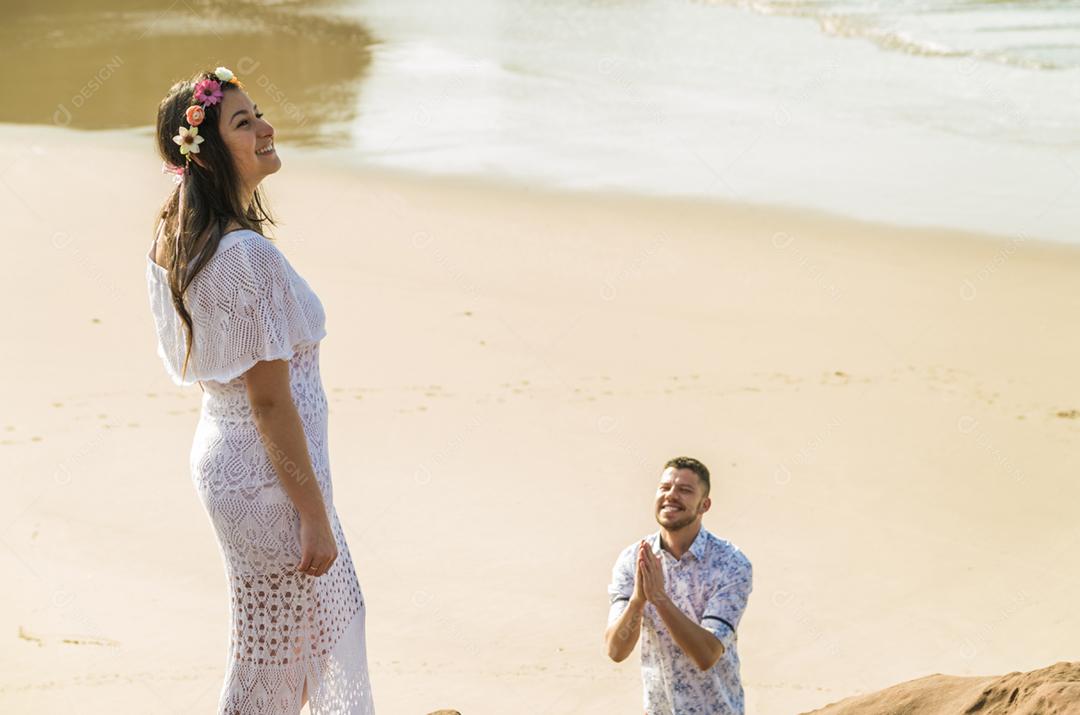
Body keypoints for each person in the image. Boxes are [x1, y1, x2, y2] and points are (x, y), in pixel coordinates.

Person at [145, 67, 375, 714]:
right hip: (269, 477)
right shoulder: (245, 255)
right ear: (205, 152)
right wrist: (313, 515)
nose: (266, 128)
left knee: (285, 649)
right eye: (243, 123)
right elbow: (270, 401)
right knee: (282, 655)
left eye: (259, 114)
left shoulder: (177, 235)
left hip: (232, 460)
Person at [605, 457, 753, 715]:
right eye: (664, 487)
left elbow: (707, 655)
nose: (671, 495)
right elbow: (615, 651)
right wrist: (637, 602)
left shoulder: (730, 563)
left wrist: (659, 599)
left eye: (685, 490)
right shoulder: (633, 559)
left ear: (704, 505)